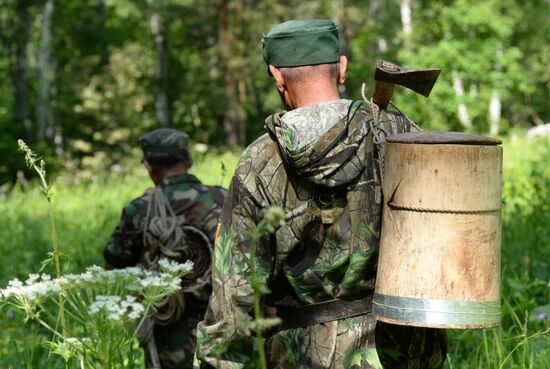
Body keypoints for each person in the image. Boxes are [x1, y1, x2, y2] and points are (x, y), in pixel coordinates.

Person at [195, 19, 448, 369]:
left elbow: (233, 292)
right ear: (341, 69)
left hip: (305, 355)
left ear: (277, 76)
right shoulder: (396, 130)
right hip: (405, 349)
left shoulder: (259, 161)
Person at [104, 128, 226, 369]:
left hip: (169, 341)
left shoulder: (141, 209)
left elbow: (113, 265)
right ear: (189, 160)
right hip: (222, 331)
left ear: (149, 166)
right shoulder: (224, 199)